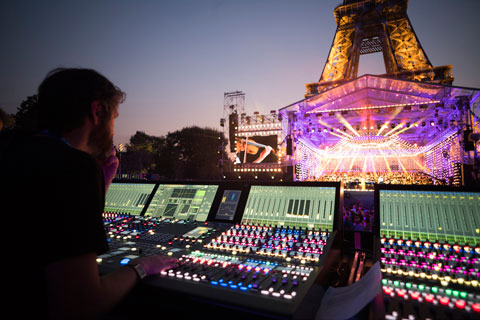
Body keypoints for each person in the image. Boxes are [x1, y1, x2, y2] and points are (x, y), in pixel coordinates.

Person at [0, 68, 178, 320]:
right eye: (114, 118)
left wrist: (100, 184)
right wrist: (142, 266)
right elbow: (81, 305)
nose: (113, 131)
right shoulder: (71, 166)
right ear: (97, 112)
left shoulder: (13, 151)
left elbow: (58, 230)